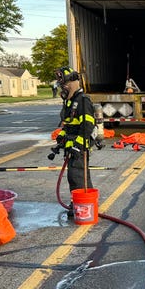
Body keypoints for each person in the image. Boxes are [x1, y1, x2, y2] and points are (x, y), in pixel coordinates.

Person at [53, 66, 95, 196]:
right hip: (71, 148)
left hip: (78, 149)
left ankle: (81, 204)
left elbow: (87, 126)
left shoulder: (82, 101)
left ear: (73, 82)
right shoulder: (70, 102)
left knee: (78, 176)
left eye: (64, 84)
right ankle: (81, 202)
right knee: (74, 176)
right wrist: (62, 135)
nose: (63, 88)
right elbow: (69, 125)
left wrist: (77, 146)